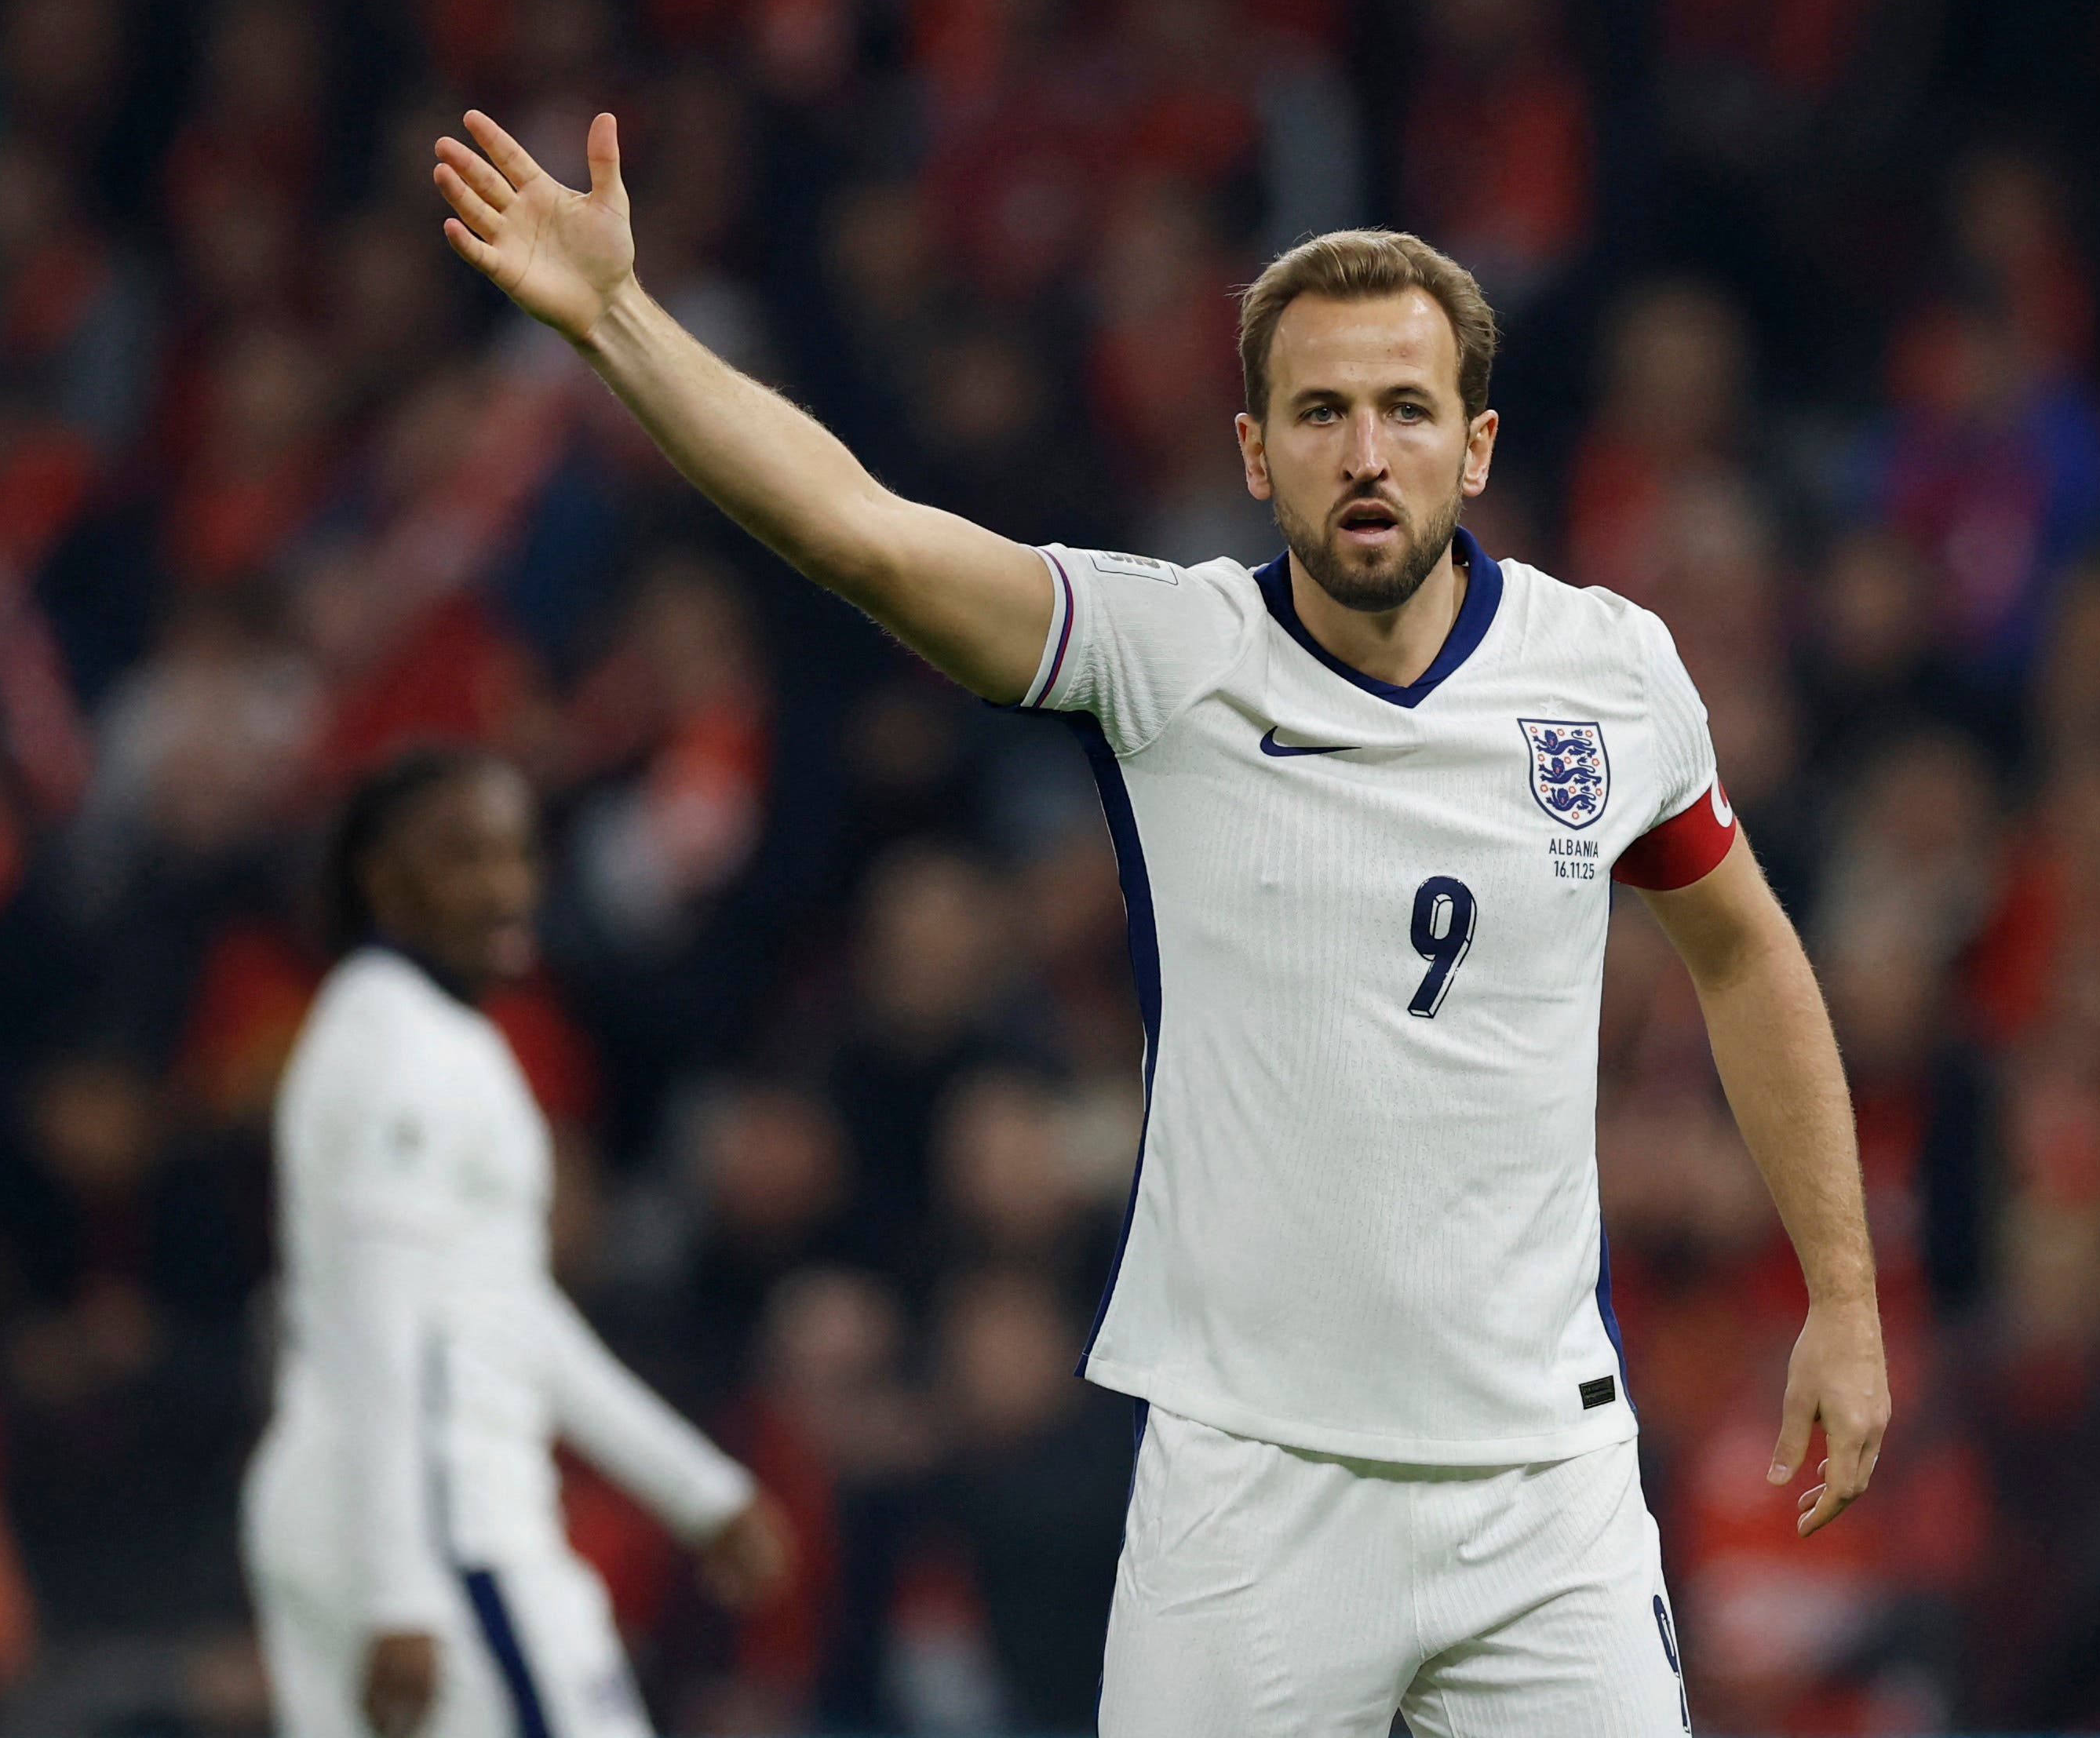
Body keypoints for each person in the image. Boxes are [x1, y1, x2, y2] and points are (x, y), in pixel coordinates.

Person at [431, 109, 1887, 1734]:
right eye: (1320, 411)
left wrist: (1840, 1291)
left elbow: (1744, 948)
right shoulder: (1165, 657)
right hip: (1254, 1485)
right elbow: (859, 530)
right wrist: (622, 322)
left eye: (1407, 410)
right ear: (1256, 453)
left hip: (1546, 1484)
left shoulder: (1611, 673)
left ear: (1474, 445)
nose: (1365, 451)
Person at [242, 746, 789, 1738]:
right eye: (463, 857)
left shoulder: (423, 1034)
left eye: (517, 855)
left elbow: (500, 1307)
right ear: (381, 879)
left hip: (379, 1506)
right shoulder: (404, 1050)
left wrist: (695, 1487)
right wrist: (405, 1593)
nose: (506, 887)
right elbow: (384, 1328)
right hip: (438, 1524)